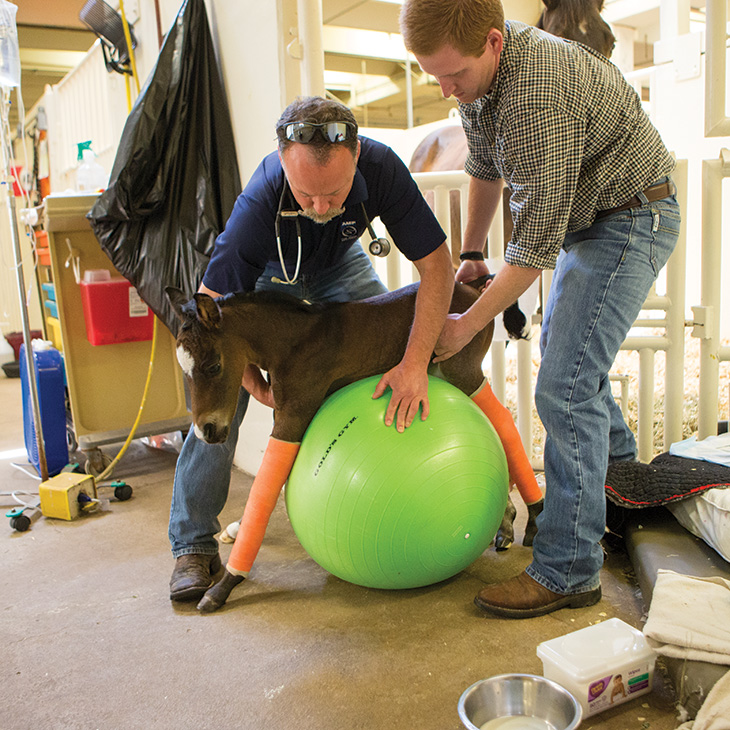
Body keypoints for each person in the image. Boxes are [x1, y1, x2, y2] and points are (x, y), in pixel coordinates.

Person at [400, 0, 681, 618]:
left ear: (494, 43)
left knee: (564, 384)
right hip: (595, 217)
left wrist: (462, 324)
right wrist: (472, 252)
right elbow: (482, 166)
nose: (446, 91)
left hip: (632, 216)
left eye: (454, 76)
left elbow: (532, 249)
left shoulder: (537, 92)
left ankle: (567, 571)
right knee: (571, 368)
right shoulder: (481, 79)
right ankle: (622, 494)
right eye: (433, 75)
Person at [169, 96, 455, 601]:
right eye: (306, 194)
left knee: (395, 343)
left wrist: (413, 361)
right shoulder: (258, 204)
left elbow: (436, 266)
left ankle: (408, 495)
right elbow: (206, 318)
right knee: (219, 395)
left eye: (336, 193)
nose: (321, 208)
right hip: (267, 279)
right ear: (283, 164)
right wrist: (244, 375)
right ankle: (192, 543)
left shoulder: (383, 167)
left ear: (358, 155)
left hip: (339, 267)